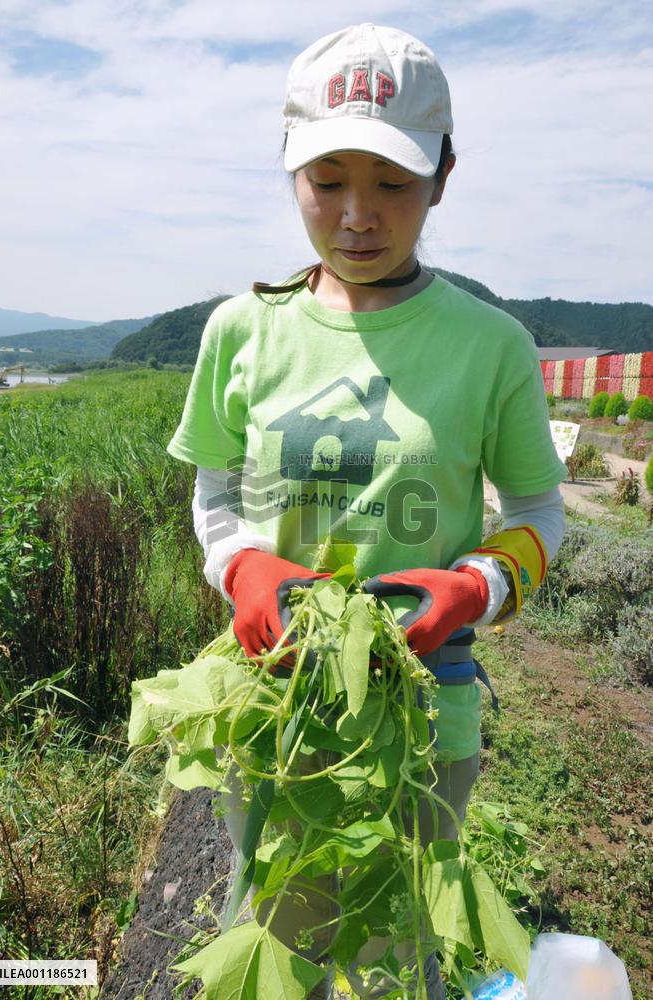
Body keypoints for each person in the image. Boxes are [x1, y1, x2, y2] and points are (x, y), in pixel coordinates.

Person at [166, 22, 567, 999]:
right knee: (278, 932)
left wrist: (475, 583)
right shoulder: (241, 331)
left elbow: (536, 508)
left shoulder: (490, 344)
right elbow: (213, 491)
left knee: (397, 951)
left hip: (429, 714)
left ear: (441, 175)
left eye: (391, 182)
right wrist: (242, 568)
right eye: (326, 178)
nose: (355, 215)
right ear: (289, 171)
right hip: (279, 711)